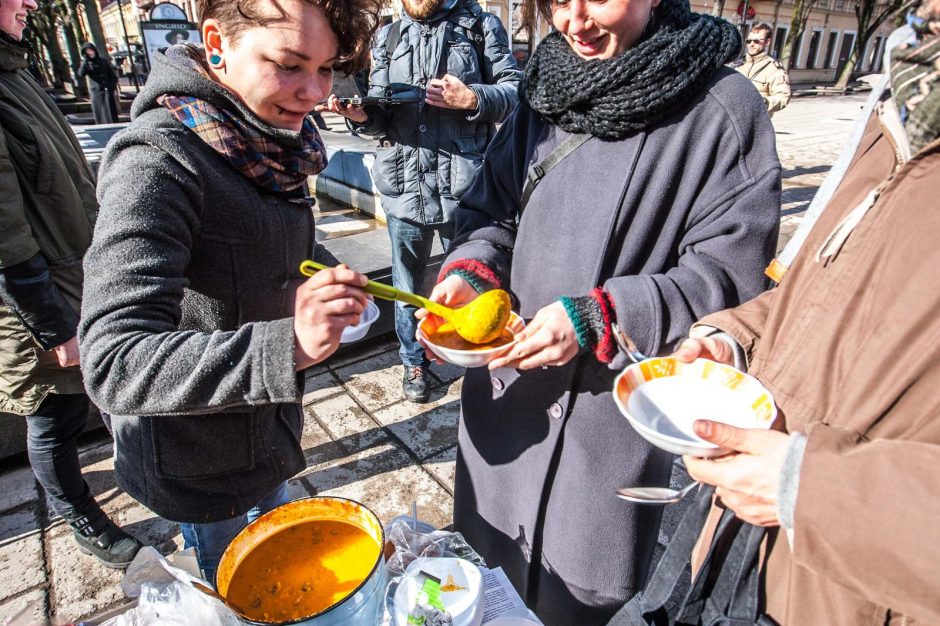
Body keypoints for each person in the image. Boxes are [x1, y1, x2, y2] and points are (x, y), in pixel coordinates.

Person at [419, 0, 781, 620]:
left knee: (576, 602)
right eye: (557, 1)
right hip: (507, 410)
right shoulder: (542, 91)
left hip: (606, 433)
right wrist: (471, 274)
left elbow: (729, 280)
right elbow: (490, 214)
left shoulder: (723, 110)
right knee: (481, 582)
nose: (574, 21)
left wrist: (605, 315)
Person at [78, 0, 380, 582]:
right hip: (199, 463)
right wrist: (287, 345)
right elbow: (113, 361)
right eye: (290, 65)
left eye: (326, 68)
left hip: (268, 436)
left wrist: (323, 281)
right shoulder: (157, 162)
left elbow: (262, 247)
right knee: (246, 590)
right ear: (216, 43)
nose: (315, 91)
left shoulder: (264, 141)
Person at [673, 8, 940, 624]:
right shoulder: (905, 91)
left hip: (853, 592)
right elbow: (825, 289)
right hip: (749, 553)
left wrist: (812, 491)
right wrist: (733, 337)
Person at [0, 0, 143, 568]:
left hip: (78, 275)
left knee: (111, 395)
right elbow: (5, 237)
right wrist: (54, 326)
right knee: (54, 416)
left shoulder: (14, 68)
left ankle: (141, 471)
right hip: (35, 302)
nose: (31, 2)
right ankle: (80, 515)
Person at [322, 0, 522, 404]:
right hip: (403, 188)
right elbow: (380, 112)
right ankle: (414, 361)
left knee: (477, 280)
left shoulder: (480, 25)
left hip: (463, 192)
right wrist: (360, 115)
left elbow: (517, 93)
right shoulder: (389, 35)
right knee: (405, 285)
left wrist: (473, 98)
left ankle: (478, 355)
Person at [734, 22, 790, 116]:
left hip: (756, 122)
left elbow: (783, 97)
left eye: (756, 41)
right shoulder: (737, 64)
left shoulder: (774, 69)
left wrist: (763, 102)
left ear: (767, 42)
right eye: (749, 41)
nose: (751, 44)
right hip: (732, 119)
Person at [77, 42, 119, 124]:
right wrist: (85, 61)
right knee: (99, 109)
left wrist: (112, 85)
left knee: (110, 109)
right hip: (96, 91)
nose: (90, 52)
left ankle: (113, 123)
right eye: (87, 51)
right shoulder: (86, 63)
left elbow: (111, 74)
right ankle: (101, 124)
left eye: (91, 50)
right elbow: (81, 74)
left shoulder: (103, 61)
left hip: (107, 89)